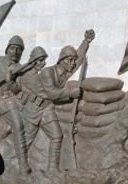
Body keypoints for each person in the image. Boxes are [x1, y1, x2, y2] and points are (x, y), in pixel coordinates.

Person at [38, 29, 95, 170]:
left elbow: (79, 57)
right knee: (25, 138)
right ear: (61, 61)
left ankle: (52, 170)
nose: (73, 63)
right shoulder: (48, 72)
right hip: (34, 108)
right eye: (70, 60)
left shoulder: (65, 72)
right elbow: (51, 93)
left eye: (73, 61)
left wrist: (86, 42)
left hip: (46, 109)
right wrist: (70, 93)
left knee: (57, 136)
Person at [0, 35, 32, 173]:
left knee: (19, 127)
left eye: (19, 50)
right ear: (7, 49)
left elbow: (17, 89)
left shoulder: (20, 68)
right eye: (13, 48)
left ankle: (23, 164)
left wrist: (10, 82)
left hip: (8, 101)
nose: (15, 51)